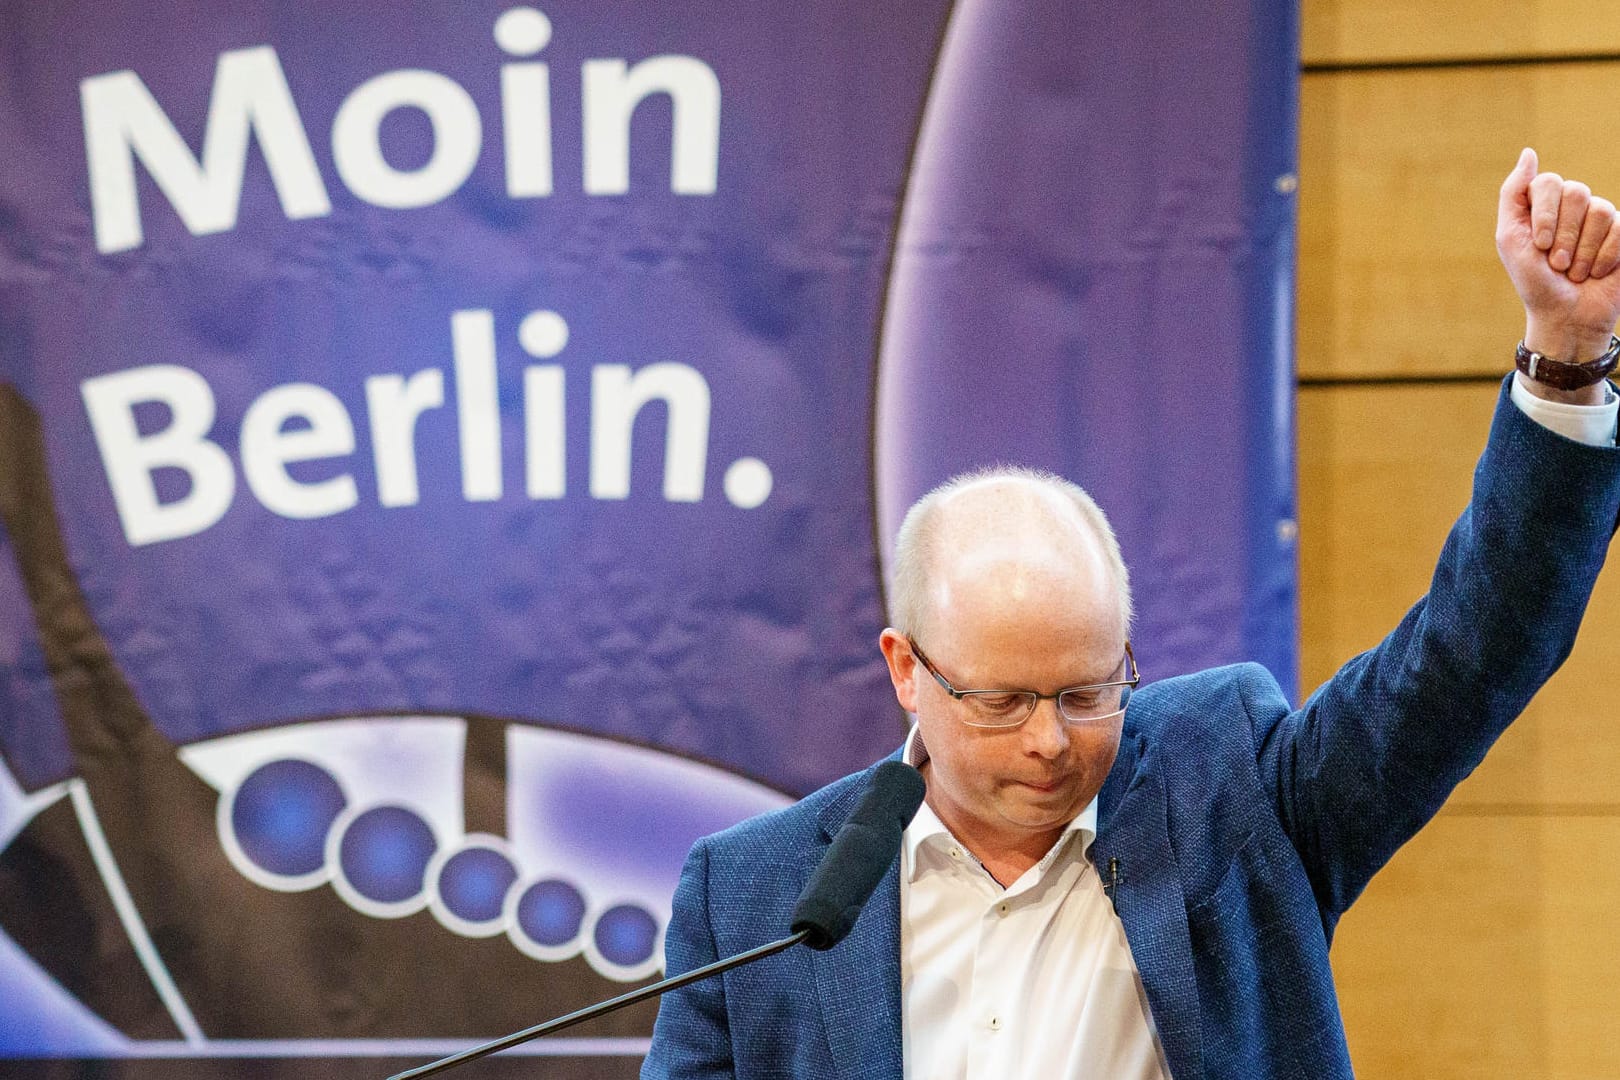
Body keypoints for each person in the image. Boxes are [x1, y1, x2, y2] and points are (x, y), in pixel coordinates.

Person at [640, 149, 1620, 1079]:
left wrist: (1567, 359)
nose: (1051, 742)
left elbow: (1464, 661)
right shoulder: (758, 900)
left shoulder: (1228, 793)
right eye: (1002, 701)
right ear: (906, 668)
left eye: (1088, 691)